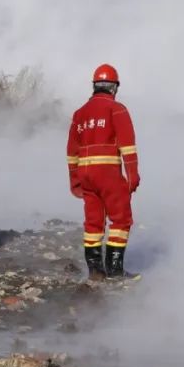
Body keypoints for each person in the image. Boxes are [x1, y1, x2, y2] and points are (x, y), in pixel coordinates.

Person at [66, 63, 140, 279]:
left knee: (93, 222)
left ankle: (95, 271)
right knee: (121, 219)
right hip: (108, 173)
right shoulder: (117, 109)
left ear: (95, 86)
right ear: (114, 87)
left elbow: (72, 151)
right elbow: (128, 146)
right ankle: (115, 271)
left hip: (85, 175)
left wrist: (75, 180)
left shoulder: (80, 114)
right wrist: (132, 176)